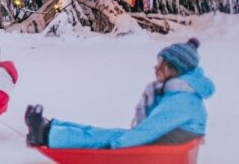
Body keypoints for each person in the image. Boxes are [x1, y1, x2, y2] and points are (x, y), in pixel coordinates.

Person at [25, 38, 214, 149]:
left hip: (157, 146)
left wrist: (115, 147)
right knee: (104, 132)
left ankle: (48, 136)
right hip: (159, 141)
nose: (155, 68)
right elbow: (149, 126)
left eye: (161, 64)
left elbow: (147, 130)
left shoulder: (181, 100)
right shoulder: (179, 93)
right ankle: (52, 127)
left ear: (174, 69)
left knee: (105, 138)